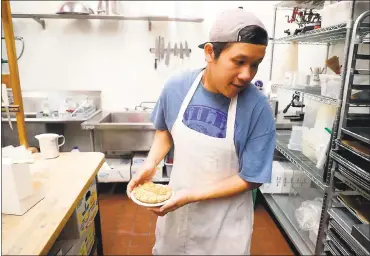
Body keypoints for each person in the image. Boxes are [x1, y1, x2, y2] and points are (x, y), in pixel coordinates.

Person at [127, 7, 276, 255]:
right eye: (239, 62)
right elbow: (165, 130)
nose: (247, 75)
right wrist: (151, 163)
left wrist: (190, 195)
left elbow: (251, 177)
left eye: (255, 65)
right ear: (210, 52)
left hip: (225, 229)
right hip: (176, 220)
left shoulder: (257, 108)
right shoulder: (178, 87)